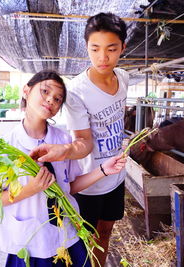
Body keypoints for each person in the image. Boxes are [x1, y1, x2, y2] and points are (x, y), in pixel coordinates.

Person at [0, 70, 127, 267]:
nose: (51, 100)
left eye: (58, 99)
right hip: (30, 240)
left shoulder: (63, 140)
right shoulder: (6, 146)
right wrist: (30, 190)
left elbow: (70, 187)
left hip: (66, 237)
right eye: (45, 91)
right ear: (26, 90)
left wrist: (104, 170)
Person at [29, 13, 129, 266]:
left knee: (106, 232)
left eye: (111, 49)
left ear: (122, 49)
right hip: (90, 181)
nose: (102, 57)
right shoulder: (76, 91)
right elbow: (83, 141)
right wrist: (64, 151)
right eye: (94, 49)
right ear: (87, 47)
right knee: (85, 240)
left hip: (116, 176)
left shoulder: (124, 78)